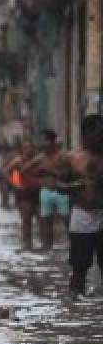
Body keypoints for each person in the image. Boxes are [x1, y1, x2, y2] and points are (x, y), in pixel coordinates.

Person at [57, 115, 103, 297]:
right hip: (82, 217)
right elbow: (58, 185)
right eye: (97, 133)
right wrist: (73, 186)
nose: (100, 137)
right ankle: (75, 306)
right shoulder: (72, 158)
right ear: (86, 134)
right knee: (79, 267)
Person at [36, 129, 70, 250]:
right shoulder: (40, 158)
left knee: (67, 219)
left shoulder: (62, 156)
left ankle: (73, 247)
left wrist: (49, 171)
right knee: (46, 222)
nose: (42, 143)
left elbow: (66, 174)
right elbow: (26, 170)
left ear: (52, 141)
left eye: (44, 140)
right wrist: (38, 176)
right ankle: (47, 250)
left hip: (60, 190)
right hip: (45, 190)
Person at [8, 139, 41, 250]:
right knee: (26, 221)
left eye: (30, 147)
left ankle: (45, 246)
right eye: (26, 148)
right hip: (24, 195)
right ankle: (27, 246)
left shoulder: (38, 160)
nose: (29, 150)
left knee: (42, 220)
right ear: (22, 150)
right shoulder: (18, 160)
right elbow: (6, 171)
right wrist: (15, 183)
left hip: (37, 193)